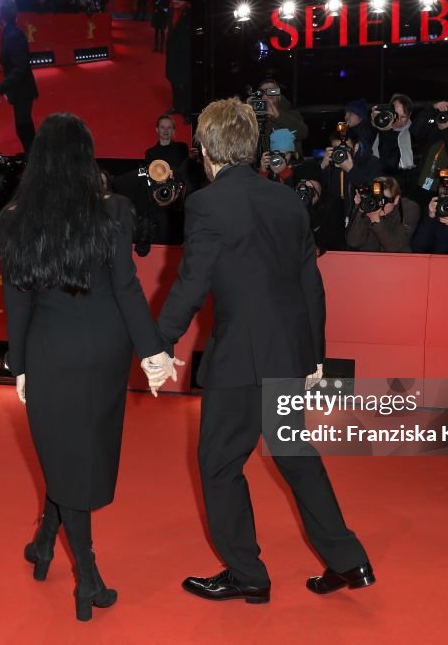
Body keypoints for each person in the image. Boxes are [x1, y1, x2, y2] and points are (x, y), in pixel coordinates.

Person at [148, 97, 373, 604]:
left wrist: (156, 343)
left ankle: (247, 572)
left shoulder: (206, 204)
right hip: (288, 351)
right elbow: (310, 282)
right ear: (251, 147)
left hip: (241, 358)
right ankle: (349, 560)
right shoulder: (286, 200)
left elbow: (190, 283)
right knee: (296, 455)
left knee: (220, 464)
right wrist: (314, 354)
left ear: (206, 149)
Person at [0, 113, 175, 622]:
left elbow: (17, 301)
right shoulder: (114, 210)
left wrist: (21, 365)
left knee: (65, 455)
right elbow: (126, 287)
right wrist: (152, 351)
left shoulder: (13, 219)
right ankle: (45, 545)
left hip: (50, 350)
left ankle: (88, 578)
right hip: (106, 349)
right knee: (78, 454)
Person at [0, 0, 38, 155]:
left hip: (23, 90)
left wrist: (0, 88)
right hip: (19, 90)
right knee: (24, 127)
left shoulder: (13, 35)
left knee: (23, 127)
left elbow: (20, 68)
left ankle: (35, 158)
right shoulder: (9, 33)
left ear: (0, 13)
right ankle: (34, 156)